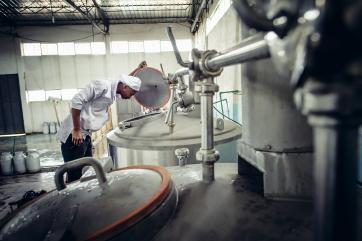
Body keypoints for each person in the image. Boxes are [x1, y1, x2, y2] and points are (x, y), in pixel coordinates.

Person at [57, 61, 147, 182]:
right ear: (125, 86)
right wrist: (77, 129)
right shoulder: (102, 85)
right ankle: (72, 198)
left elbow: (126, 82)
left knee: (85, 171)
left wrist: (137, 70)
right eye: (132, 93)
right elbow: (76, 101)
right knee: (75, 176)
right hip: (74, 135)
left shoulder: (115, 88)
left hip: (85, 135)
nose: (131, 96)